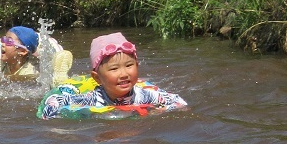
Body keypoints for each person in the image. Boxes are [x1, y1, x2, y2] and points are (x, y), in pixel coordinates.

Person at [39, 33, 188, 119]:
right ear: (97, 78)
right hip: (77, 90)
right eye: (114, 68)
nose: (123, 74)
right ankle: (59, 76)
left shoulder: (144, 96)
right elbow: (54, 102)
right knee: (62, 85)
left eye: (129, 66)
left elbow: (178, 102)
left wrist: (160, 110)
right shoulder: (93, 99)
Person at [0, 26, 74, 87]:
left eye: (8, 41)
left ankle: (60, 76)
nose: (2, 44)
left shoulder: (34, 71)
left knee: (54, 84)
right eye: (3, 39)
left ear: (22, 51)